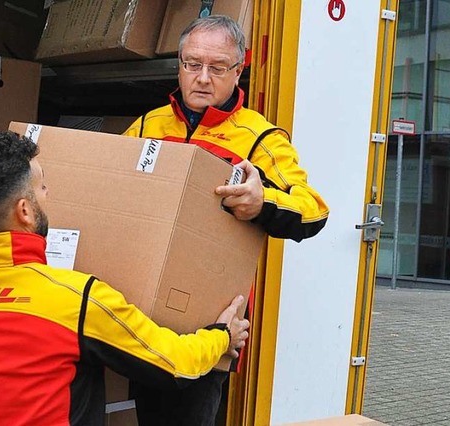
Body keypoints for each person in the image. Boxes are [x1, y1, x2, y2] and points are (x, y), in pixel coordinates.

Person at [0, 131, 250, 426]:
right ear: (24, 210)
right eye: (42, 187)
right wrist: (222, 335)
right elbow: (175, 363)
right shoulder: (75, 300)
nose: (47, 194)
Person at [123, 15, 330, 426]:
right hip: (142, 312)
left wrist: (262, 202)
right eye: (191, 64)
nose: (202, 78)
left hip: (211, 321)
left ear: (239, 71)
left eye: (217, 68)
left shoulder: (260, 138)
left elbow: (313, 210)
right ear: (179, 65)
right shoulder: (147, 125)